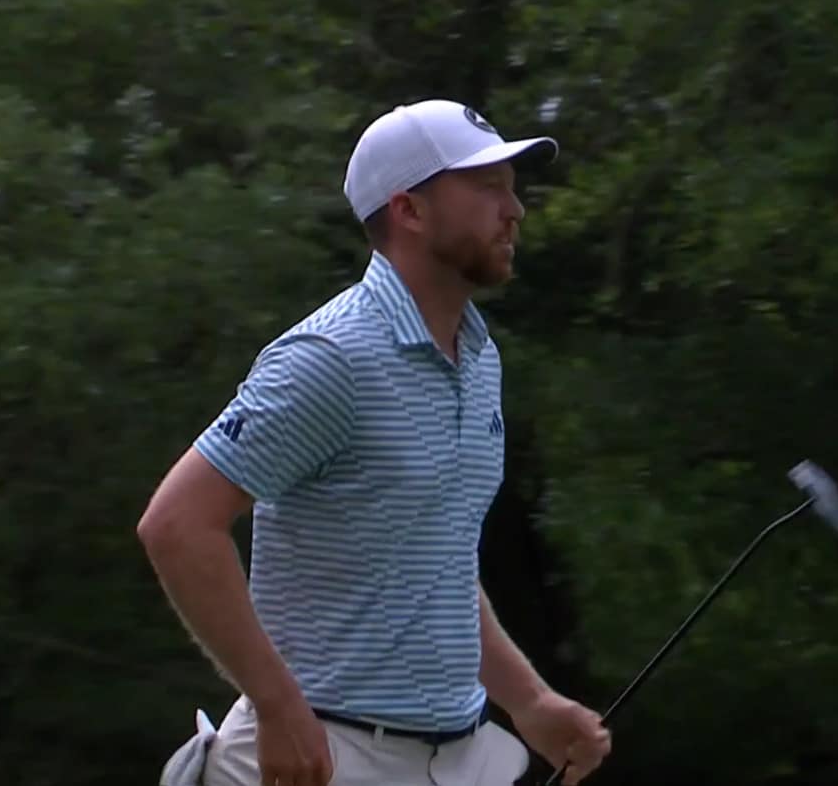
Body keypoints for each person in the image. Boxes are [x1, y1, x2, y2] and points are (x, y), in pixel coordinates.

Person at [138, 99, 613, 786]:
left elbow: (434, 559)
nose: (514, 210)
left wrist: (528, 701)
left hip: (456, 755)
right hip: (320, 754)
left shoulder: (478, 359)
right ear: (409, 212)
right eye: (486, 188)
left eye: (512, 188)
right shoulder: (332, 356)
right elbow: (178, 525)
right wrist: (277, 706)